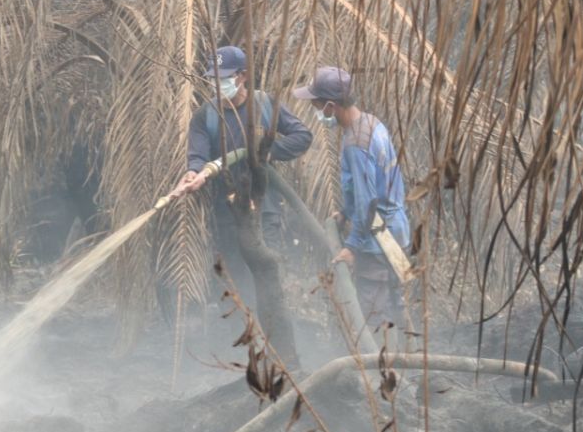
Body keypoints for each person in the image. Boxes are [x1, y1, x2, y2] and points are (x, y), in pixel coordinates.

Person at [169, 45, 313, 292]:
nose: (218, 83)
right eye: (214, 78)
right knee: (234, 282)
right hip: (227, 212)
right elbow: (198, 156)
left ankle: (271, 327)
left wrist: (267, 151)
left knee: (267, 277)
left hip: (264, 207)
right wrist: (194, 173)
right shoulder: (206, 116)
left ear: (243, 75)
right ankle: (240, 327)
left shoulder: (265, 104)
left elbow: (302, 136)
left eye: (224, 77)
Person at [293, 66, 410, 332]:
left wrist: (352, 246)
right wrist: (345, 211)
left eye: (317, 105)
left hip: (378, 240)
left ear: (331, 106)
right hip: (397, 231)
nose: (316, 111)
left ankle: (381, 368)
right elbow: (366, 186)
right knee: (396, 303)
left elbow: (368, 201)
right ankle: (407, 358)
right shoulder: (371, 123)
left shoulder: (356, 143)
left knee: (374, 313)